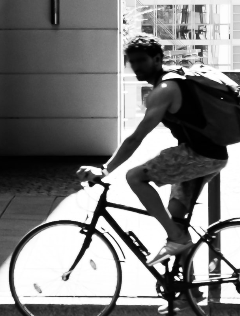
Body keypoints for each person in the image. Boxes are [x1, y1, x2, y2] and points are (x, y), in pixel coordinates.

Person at [76, 34, 228, 271]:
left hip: (200, 154)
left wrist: (105, 170)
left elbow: (136, 138)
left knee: (135, 177)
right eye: (132, 61)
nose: (136, 66)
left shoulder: (164, 89)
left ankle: (177, 238)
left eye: (142, 60)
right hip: (209, 154)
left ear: (157, 59)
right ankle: (186, 286)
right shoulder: (173, 78)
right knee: (176, 215)